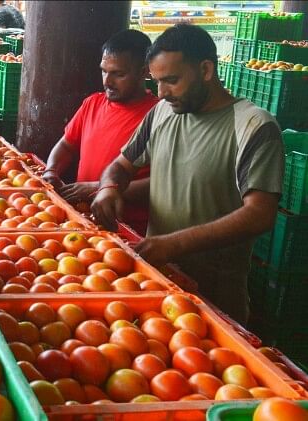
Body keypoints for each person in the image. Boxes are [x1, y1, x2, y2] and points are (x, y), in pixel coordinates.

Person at [91, 24, 284, 324]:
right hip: (157, 278)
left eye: (171, 80)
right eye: (157, 81)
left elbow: (260, 213)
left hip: (215, 297)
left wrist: (174, 243)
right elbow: (121, 165)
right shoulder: (162, 112)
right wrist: (108, 187)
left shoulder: (253, 126)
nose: (162, 92)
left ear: (206, 69)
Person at [43, 29, 158, 235]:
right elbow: (67, 144)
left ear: (144, 72)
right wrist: (51, 170)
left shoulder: (158, 115)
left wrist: (99, 187)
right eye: (104, 71)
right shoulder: (93, 103)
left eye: (118, 74)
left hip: (126, 227)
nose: (107, 81)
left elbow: (162, 183)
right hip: (82, 216)